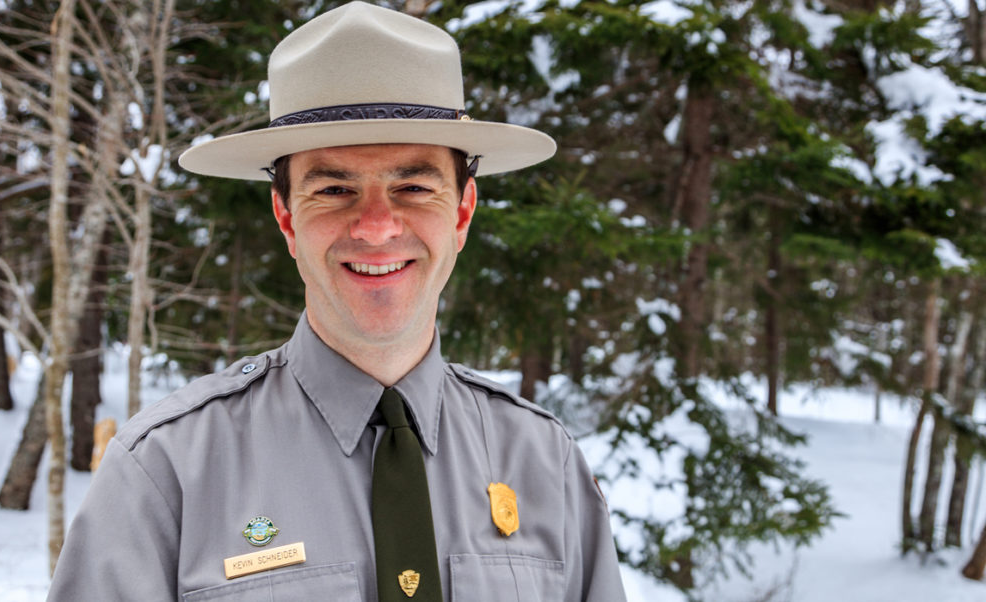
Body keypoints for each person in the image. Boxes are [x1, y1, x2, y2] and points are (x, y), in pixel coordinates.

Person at [47, 3, 626, 601]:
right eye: (333, 189)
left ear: (461, 211)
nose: (376, 227)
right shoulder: (168, 472)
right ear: (286, 216)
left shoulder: (543, 463)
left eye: (414, 186)